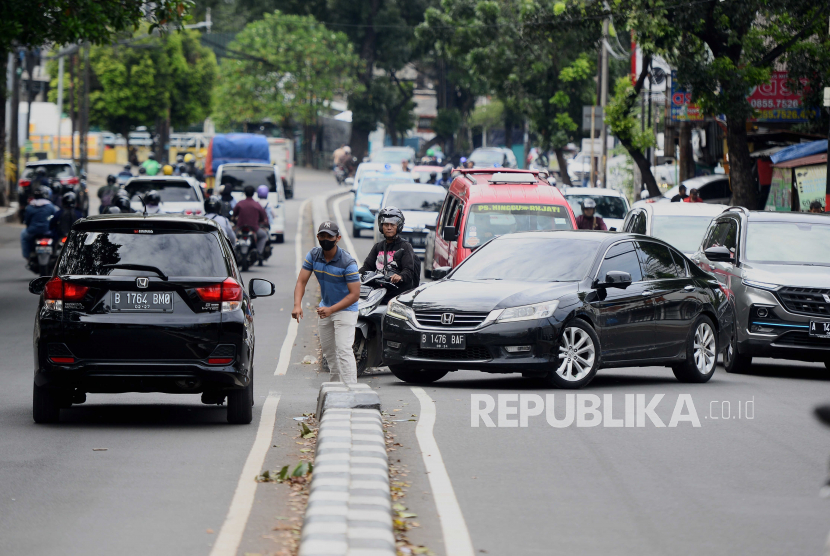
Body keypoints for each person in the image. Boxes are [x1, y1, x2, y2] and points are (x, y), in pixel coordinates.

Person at [292, 221, 361, 383]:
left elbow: (355, 295)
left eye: (329, 236)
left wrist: (332, 309)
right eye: (322, 236)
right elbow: (301, 281)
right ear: (317, 237)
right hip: (326, 309)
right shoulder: (314, 255)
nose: (325, 239)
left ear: (338, 238)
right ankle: (335, 388)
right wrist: (297, 305)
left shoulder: (347, 262)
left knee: (344, 350)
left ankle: (352, 390)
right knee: (329, 353)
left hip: (346, 310)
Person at [359, 207, 418, 303]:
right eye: (386, 224)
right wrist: (353, 276)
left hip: (396, 297)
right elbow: (366, 267)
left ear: (398, 226)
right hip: (376, 295)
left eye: (392, 224)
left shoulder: (405, 247)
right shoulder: (378, 247)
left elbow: (408, 271)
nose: (389, 227)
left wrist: (400, 277)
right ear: (381, 226)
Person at [232, 185, 269, 259]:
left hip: (240, 227)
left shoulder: (240, 203)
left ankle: (232, 252)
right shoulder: (257, 204)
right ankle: (259, 252)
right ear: (253, 194)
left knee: (231, 236)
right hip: (254, 228)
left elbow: (234, 214)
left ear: (245, 193)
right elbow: (262, 217)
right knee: (264, 236)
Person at [21, 187, 57, 260]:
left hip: (32, 231)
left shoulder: (30, 206)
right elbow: (55, 219)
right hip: (47, 231)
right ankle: (55, 253)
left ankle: (27, 256)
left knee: (23, 235)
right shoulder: (51, 206)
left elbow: (27, 221)